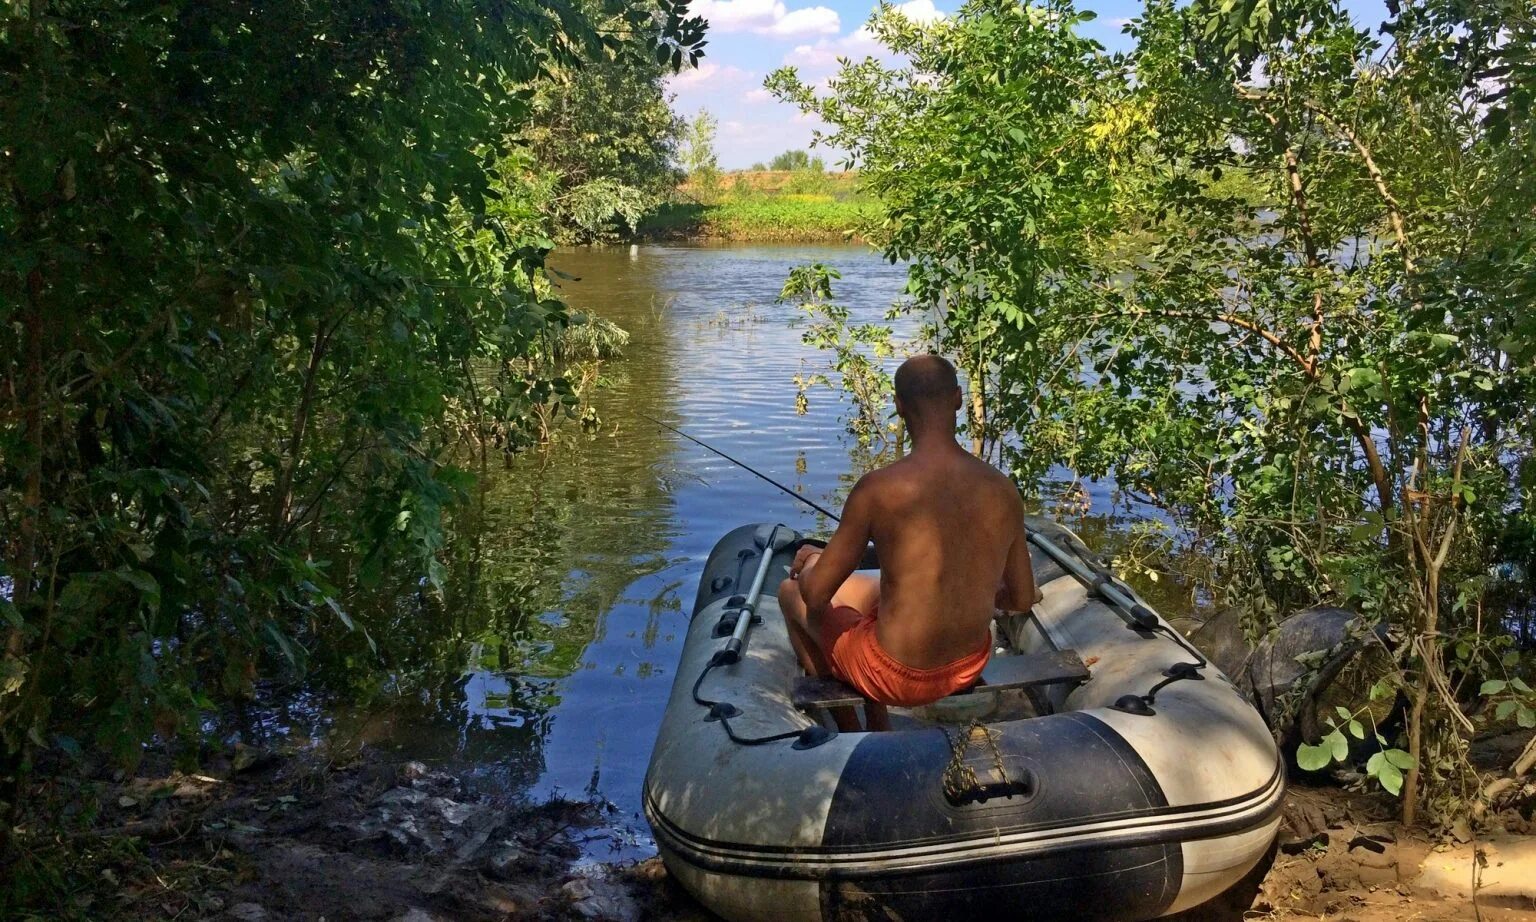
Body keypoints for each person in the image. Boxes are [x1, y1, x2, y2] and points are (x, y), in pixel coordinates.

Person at [777, 354, 1040, 731]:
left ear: (899, 406)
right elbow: (1021, 599)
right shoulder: (1002, 489)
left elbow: (816, 596)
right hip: (967, 666)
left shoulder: (878, 490)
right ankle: (876, 720)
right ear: (958, 399)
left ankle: (852, 731)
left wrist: (812, 564)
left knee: (790, 594)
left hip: (894, 677)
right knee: (871, 594)